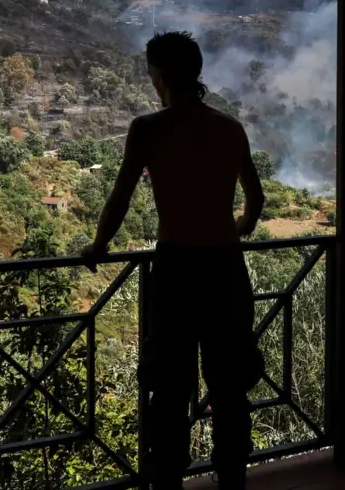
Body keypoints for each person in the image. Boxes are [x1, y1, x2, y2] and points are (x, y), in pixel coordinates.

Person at [82, 31, 266, 490]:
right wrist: (238, 228)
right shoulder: (229, 128)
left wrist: (99, 245)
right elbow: (256, 198)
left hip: (177, 270)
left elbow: (120, 198)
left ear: (158, 75)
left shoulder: (149, 128)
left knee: (168, 387)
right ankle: (232, 481)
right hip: (226, 268)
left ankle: (167, 481)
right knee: (230, 386)